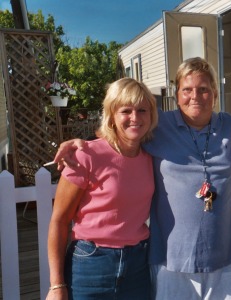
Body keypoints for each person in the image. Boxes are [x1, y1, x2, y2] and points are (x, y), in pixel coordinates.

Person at [53, 57, 231, 299]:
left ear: (214, 93)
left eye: (203, 89)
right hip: (170, 261)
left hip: (224, 259)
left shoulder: (230, 125)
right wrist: (82, 143)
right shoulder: (158, 125)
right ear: (177, 95)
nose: (195, 96)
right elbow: (121, 134)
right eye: (187, 90)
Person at [46, 78, 158, 300]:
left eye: (142, 110)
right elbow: (59, 220)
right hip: (91, 264)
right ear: (112, 115)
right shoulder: (86, 155)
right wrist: (56, 285)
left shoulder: (152, 156)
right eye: (126, 110)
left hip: (138, 265)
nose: (135, 118)